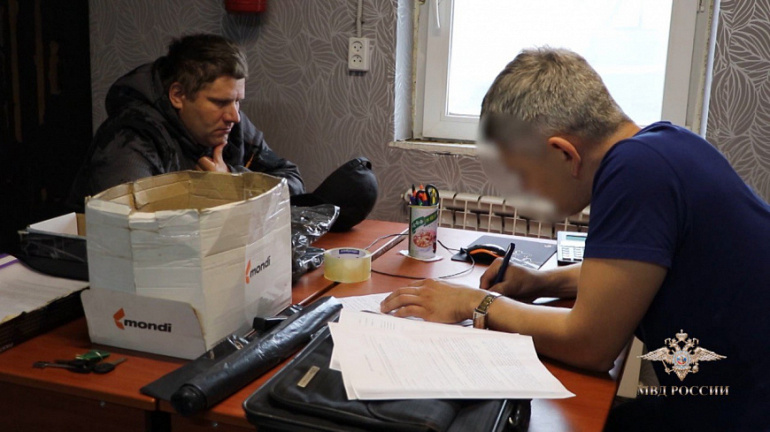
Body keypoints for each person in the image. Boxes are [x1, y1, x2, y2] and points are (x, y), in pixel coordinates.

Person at [380, 48, 770, 430]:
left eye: (522, 175)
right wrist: (539, 283)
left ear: (564, 154)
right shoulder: (666, 144)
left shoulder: (637, 172)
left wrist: (473, 302)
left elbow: (590, 346)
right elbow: (630, 274)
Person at [68, 34, 304, 210]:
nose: (234, 116)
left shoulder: (232, 126)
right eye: (220, 102)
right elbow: (136, 230)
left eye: (237, 101)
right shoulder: (130, 138)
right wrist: (213, 193)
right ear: (178, 95)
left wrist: (233, 182)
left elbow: (294, 182)